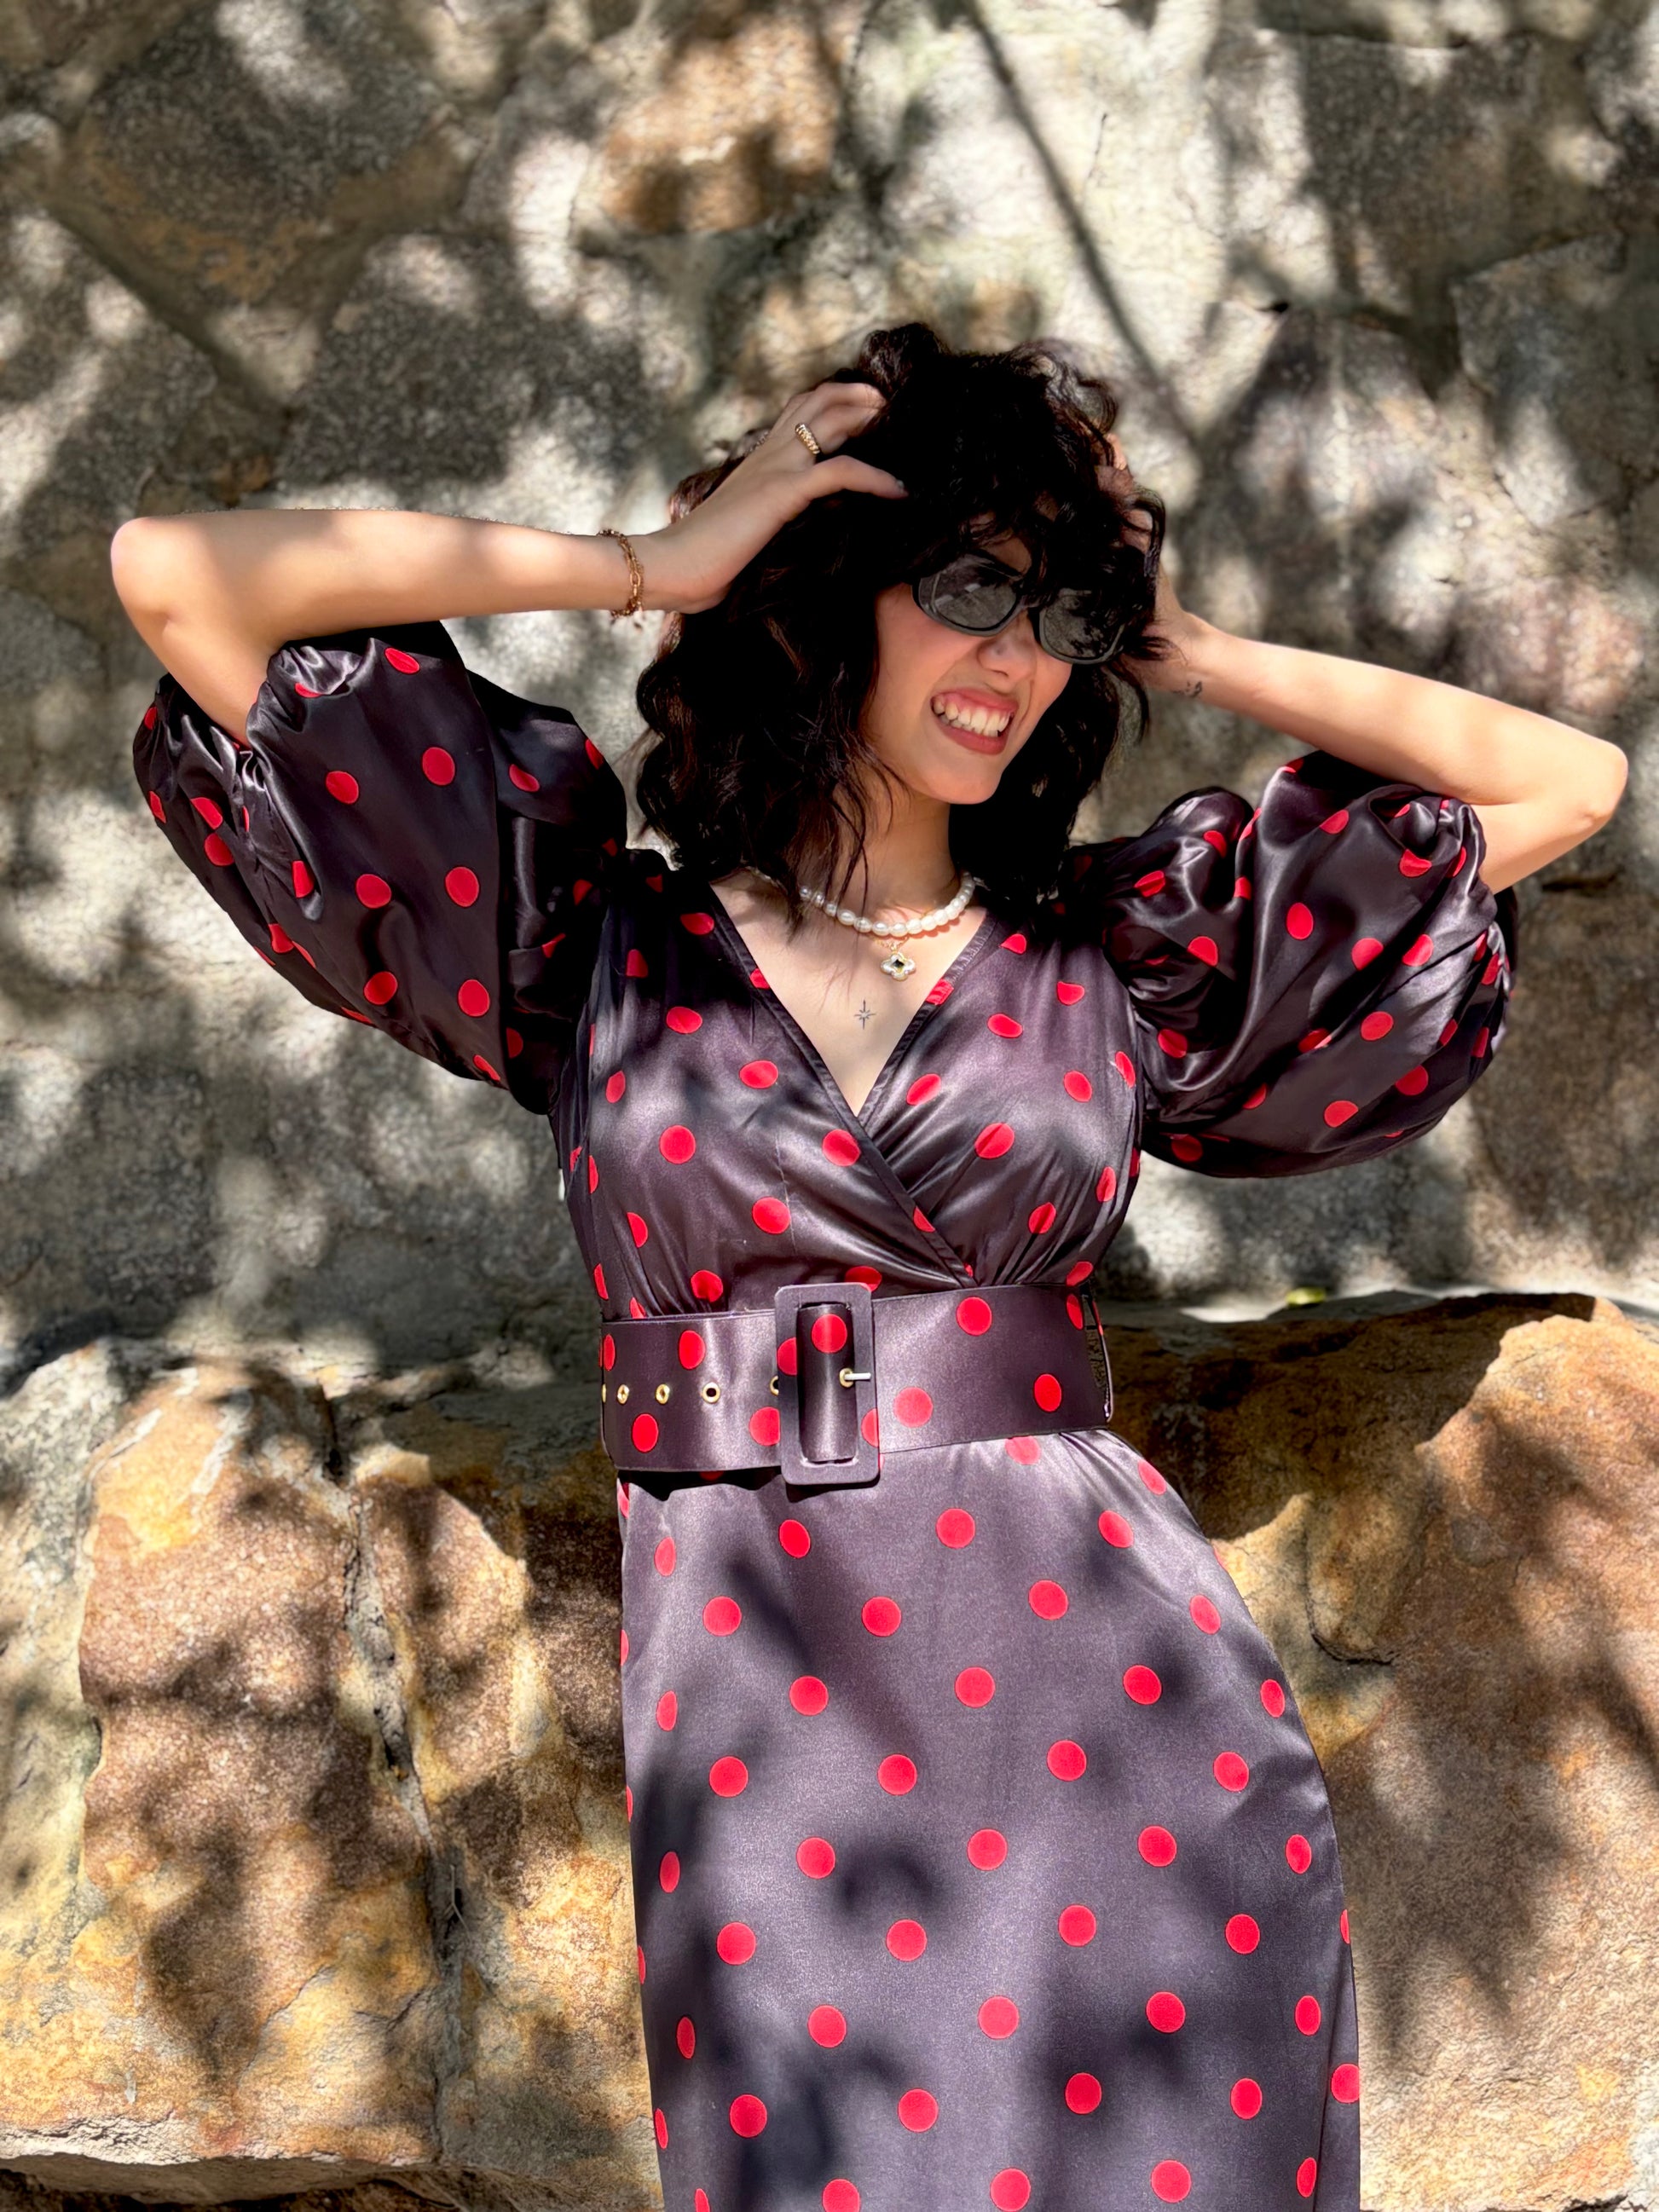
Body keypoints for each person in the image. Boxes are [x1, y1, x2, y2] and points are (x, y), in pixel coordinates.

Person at [111, 322, 1624, 2212]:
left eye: (1055, 612)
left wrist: (1181, 646)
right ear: (825, 591)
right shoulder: (584, 937)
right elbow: (177, 575)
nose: (1012, 656)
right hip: (766, 1737)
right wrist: (651, 564)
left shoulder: (1112, 957)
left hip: (1126, 1743)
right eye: (967, 586)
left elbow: (1567, 780)